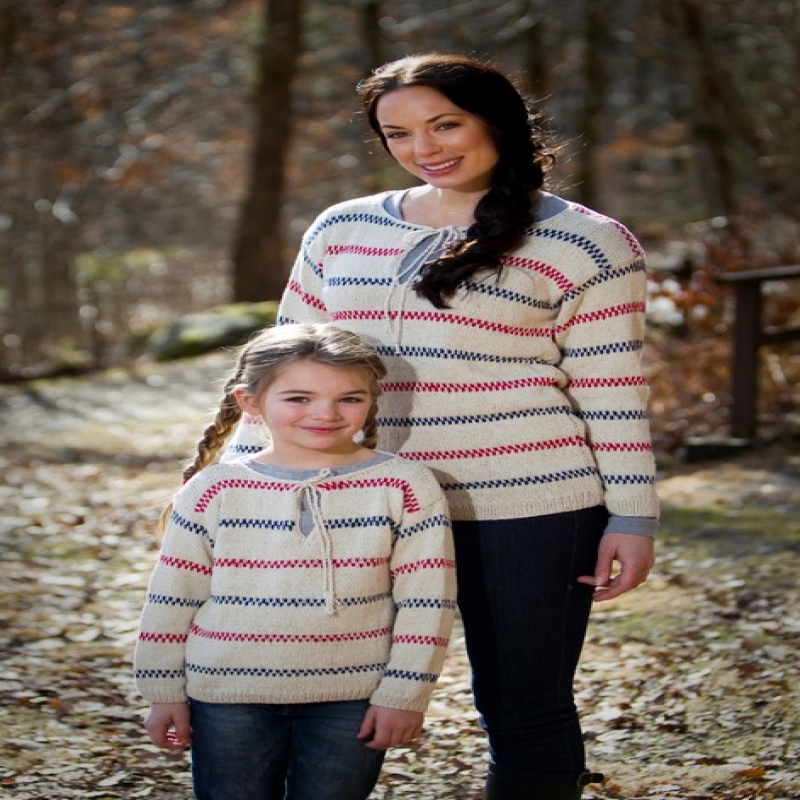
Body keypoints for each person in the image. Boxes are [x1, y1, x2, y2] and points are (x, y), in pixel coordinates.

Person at [225, 53, 659, 799]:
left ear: (497, 121)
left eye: (445, 124)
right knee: (322, 694)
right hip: (357, 497)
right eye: (398, 134)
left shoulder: (589, 242)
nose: (424, 148)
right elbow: (283, 369)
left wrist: (633, 516)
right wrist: (243, 477)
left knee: (525, 707)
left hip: (527, 506)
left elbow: (612, 389)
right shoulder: (342, 228)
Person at [134, 323, 457, 800]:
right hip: (227, 696)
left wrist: (405, 694)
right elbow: (172, 597)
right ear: (250, 401)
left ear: (373, 400)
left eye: (349, 398)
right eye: (299, 398)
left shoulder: (406, 485)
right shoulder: (214, 489)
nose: (326, 413)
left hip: (353, 696)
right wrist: (162, 692)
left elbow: (427, 601)